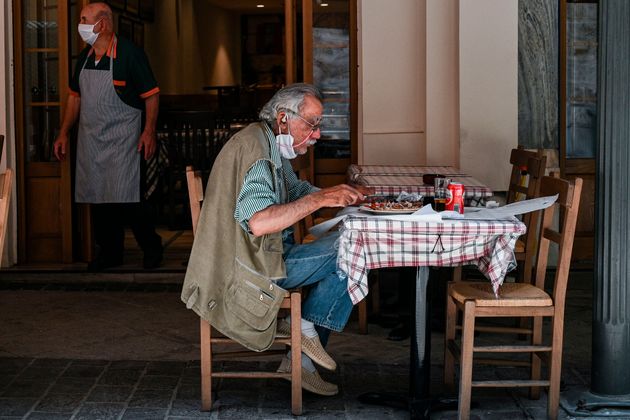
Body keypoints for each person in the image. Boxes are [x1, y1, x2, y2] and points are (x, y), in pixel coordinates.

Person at [181, 83, 370, 396]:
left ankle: (303, 345)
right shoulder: (256, 151)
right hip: (248, 271)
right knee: (356, 247)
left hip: (265, 258)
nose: (317, 134)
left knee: (354, 249)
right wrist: (321, 199)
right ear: (284, 118)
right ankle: (303, 342)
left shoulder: (266, 140)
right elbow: (260, 221)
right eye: (312, 124)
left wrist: (342, 196)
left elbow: (293, 192)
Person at [53, 2, 162, 271]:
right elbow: (74, 97)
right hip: (92, 141)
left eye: (83, 19)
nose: (80, 25)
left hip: (125, 141)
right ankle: (110, 254)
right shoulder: (85, 57)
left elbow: (151, 95)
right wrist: (64, 132)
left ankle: (151, 248)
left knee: (130, 200)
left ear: (101, 24)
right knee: (99, 199)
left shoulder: (130, 54)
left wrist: (148, 131)